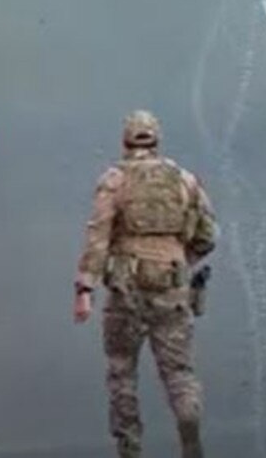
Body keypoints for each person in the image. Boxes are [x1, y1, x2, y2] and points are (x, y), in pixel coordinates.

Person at [74, 110, 218, 458]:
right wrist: (180, 260)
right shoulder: (184, 180)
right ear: (157, 141)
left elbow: (98, 237)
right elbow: (207, 235)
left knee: (122, 370)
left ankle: (130, 447)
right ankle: (189, 430)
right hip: (172, 286)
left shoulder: (114, 181)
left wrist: (85, 290)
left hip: (126, 290)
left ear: (125, 142)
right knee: (179, 372)